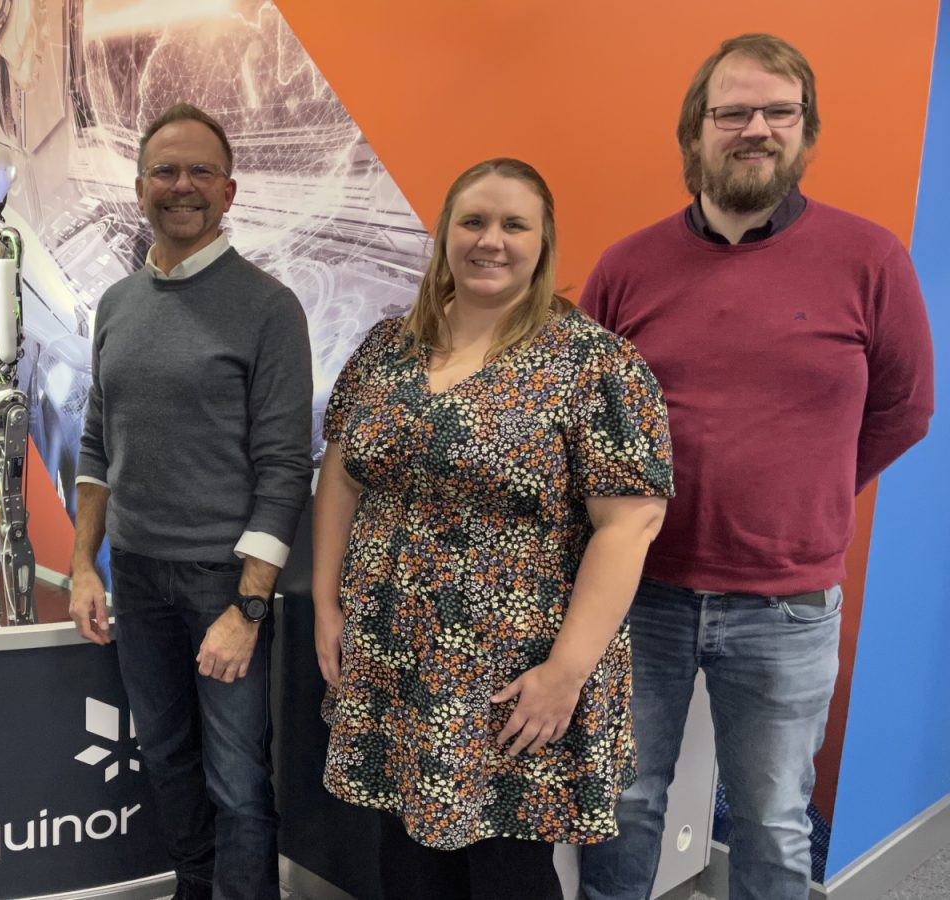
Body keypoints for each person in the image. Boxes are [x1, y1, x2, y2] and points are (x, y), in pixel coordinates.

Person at [577, 34, 934, 900]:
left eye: (779, 111)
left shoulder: (871, 258)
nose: (756, 128)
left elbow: (905, 409)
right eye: (732, 111)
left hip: (787, 605)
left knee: (774, 823)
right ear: (693, 132)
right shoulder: (627, 266)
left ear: (805, 132)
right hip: (642, 595)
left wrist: (805, 493)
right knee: (621, 803)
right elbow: (579, 416)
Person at [313, 158, 673, 900]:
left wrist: (565, 675)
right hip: (393, 651)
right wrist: (326, 603)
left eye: (515, 224)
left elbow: (629, 524)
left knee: (506, 868)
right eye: (474, 221)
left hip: (514, 668)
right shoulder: (388, 348)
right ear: (446, 233)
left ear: (544, 243)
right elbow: (342, 474)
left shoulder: (593, 364)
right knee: (405, 849)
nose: (492, 240)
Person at [68, 102, 313, 900]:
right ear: (140, 190)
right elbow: (99, 446)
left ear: (230, 190)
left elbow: (284, 468)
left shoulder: (269, 308)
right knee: (168, 758)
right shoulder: (116, 306)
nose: (183, 186)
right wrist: (83, 566)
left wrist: (246, 608)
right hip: (137, 576)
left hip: (222, 580)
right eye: (165, 171)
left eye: (200, 171)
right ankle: (195, 888)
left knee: (238, 777)